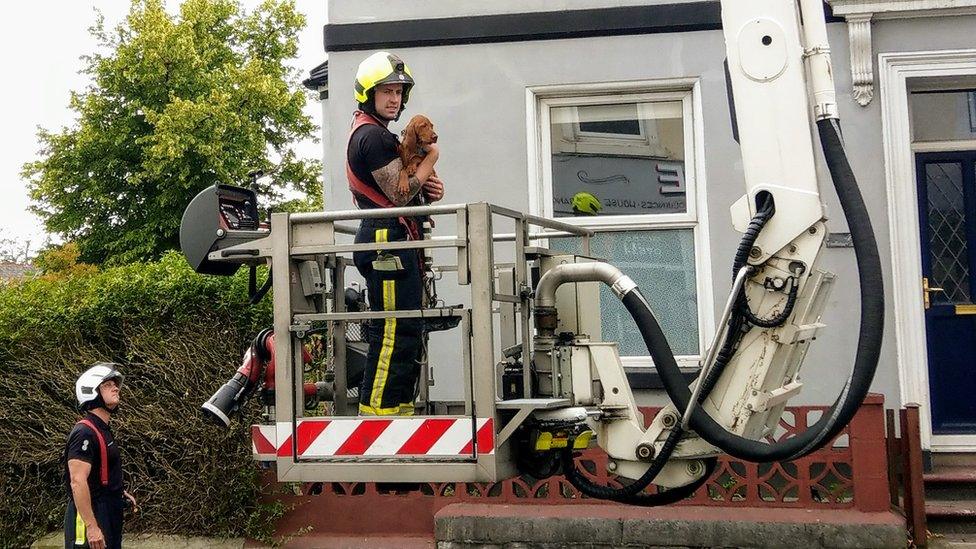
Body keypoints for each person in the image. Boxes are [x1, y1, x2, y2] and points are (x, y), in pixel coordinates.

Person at [347, 51, 444, 416]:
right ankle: (377, 418)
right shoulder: (371, 137)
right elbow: (400, 194)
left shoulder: (384, 136)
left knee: (407, 331)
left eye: (400, 92)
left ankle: (398, 412)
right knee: (392, 331)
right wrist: (431, 161)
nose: (395, 99)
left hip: (397, 240)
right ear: (368, 94)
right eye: (387, 91)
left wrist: (431, 188)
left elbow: (411, 190)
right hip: (385, 241)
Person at [63, 363, 137, 549]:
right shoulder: (84, 432)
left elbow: (100, 471)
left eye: (115, 383)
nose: (115, 387)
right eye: (107, 384)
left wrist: (118, 491)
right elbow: (77, 481)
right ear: (91, 392)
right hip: (93, 516)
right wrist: (92, 527)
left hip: (108, 511)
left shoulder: (102, 429)